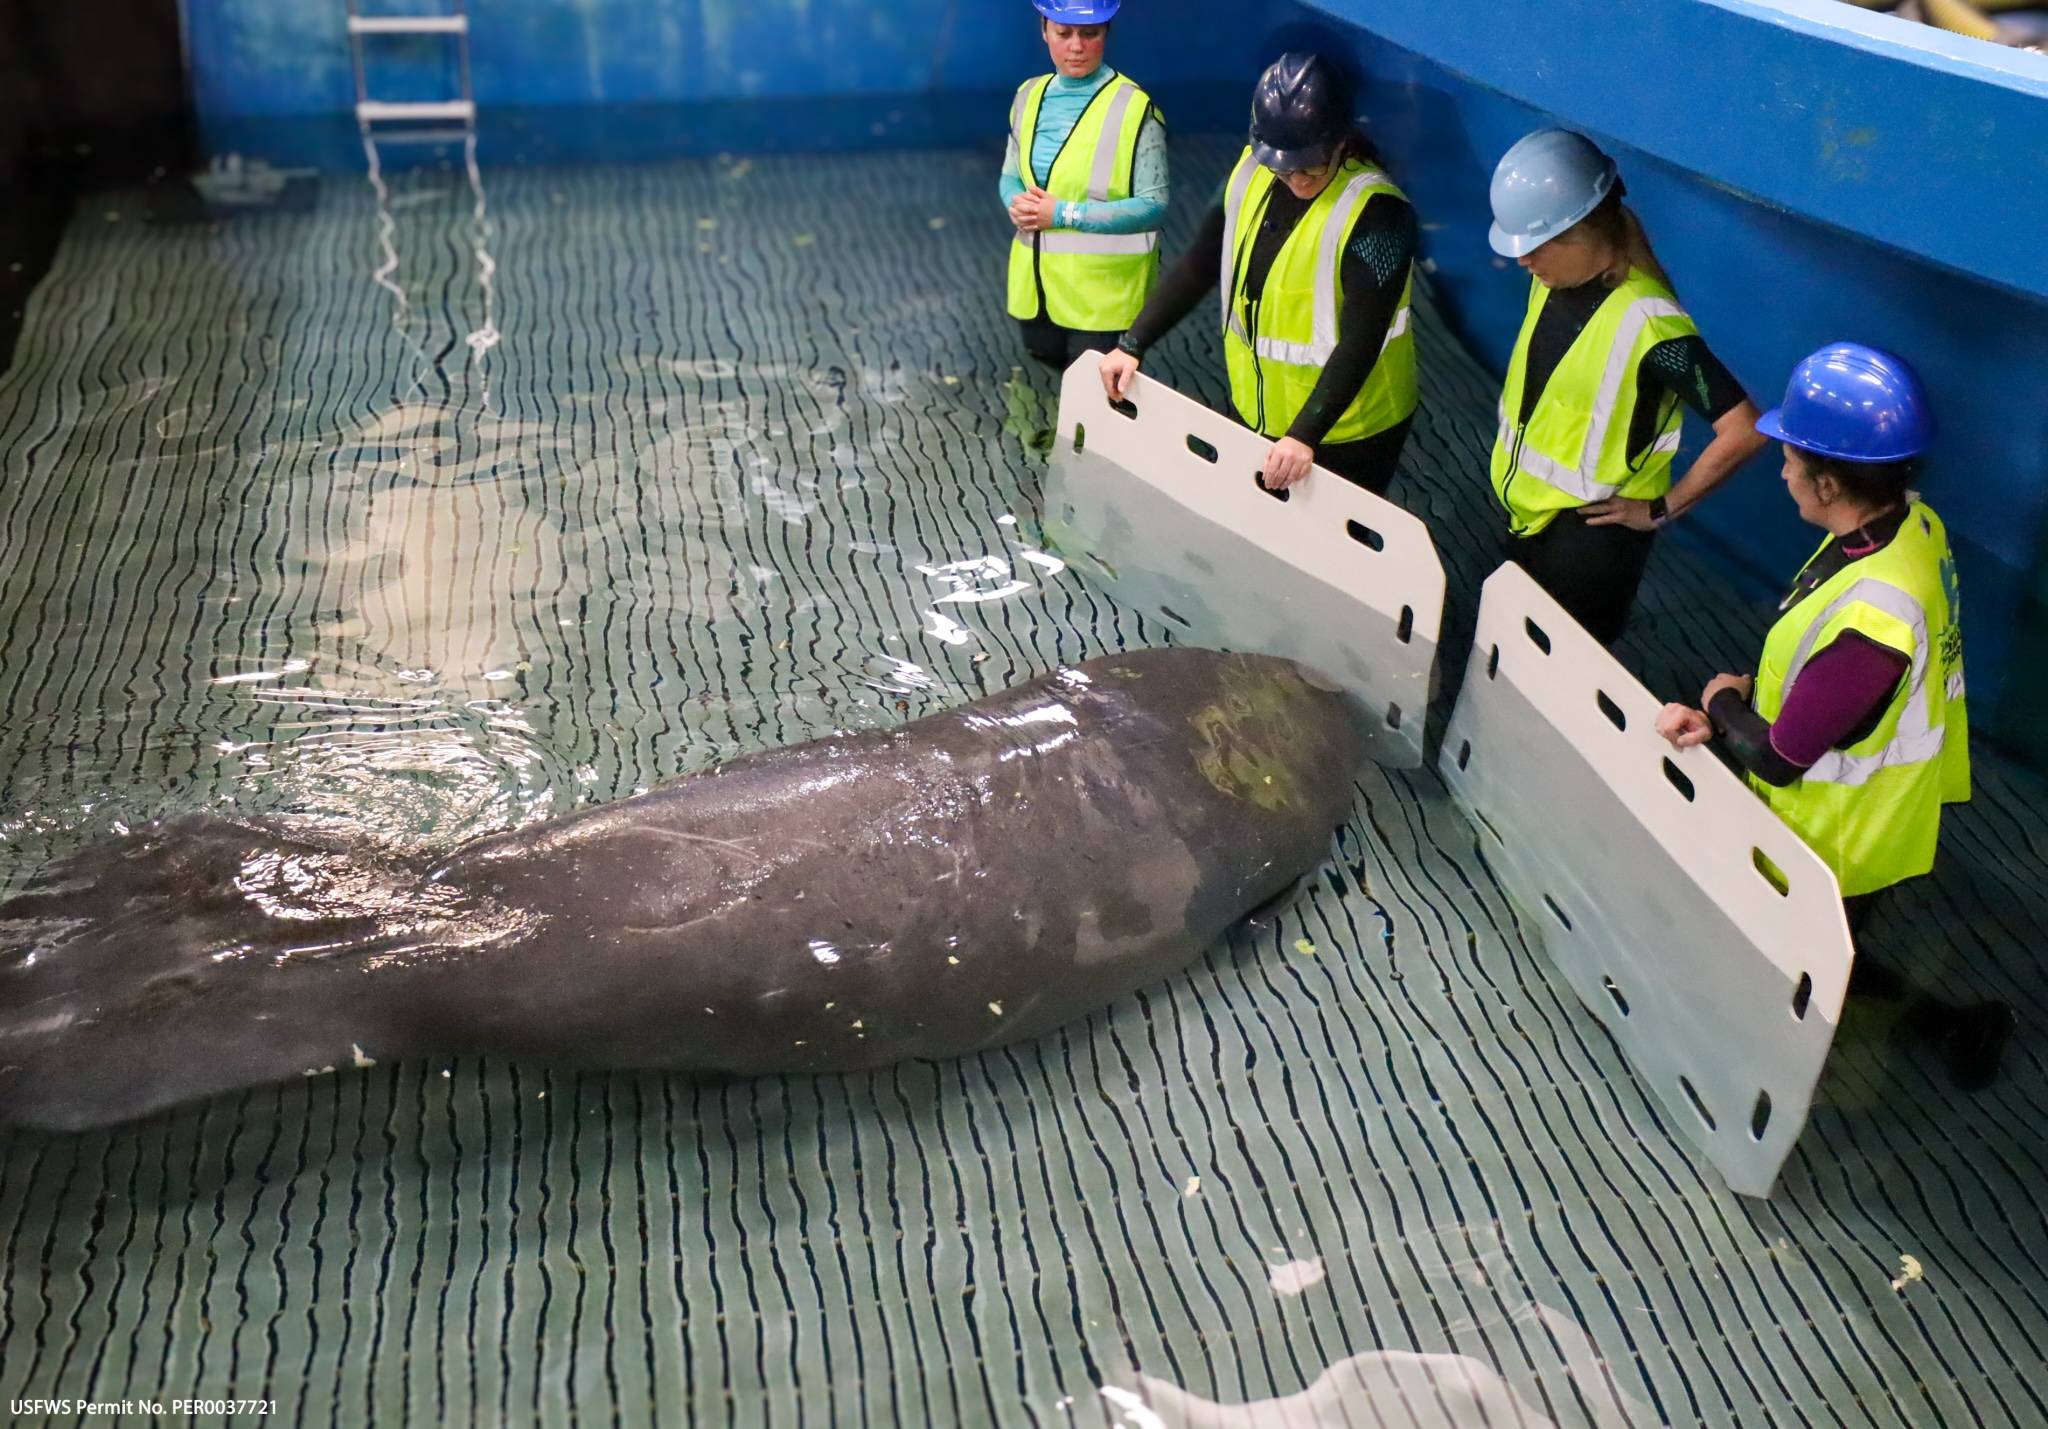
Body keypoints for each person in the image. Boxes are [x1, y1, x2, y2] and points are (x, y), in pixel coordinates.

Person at [1657, 343, 2014, 1089]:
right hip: (1855, 810)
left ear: (1827, 479)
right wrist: (1744, 702)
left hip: (1841, 834)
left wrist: (1723, 700)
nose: (1780, 469)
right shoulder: (1908, 524)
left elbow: (1785, 756)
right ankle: (1952, 1021)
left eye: (1789, 459)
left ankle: (1956, 1026)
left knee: (1806, 965)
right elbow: (1827, 675)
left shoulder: (1876, 613)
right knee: (1821, 954)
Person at [1486, 129, 1767, 644]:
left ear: (1582, 231)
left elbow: (1746, 429)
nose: (1524, 261)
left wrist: (1661, 510)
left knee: (1560, 672)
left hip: (1590, 544)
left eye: (1537, 247)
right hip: (1531, 512)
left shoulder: (1652, 326)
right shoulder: (1552, 278)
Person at [1098, 52, 1417, 497]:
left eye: (1312, 166)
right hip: (1263, 412)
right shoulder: (1251, 171)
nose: (1298, 181)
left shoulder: (1379, 216)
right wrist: (1132, 343)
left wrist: (1305, 434)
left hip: (1351, 430)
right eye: (1284, 167)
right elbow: (1199, 263)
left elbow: (1362, 341)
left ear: (1342, 140)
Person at [1002, 0, 1167, 372]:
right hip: (1036, 287)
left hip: (1104, 302)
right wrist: (1015, 202)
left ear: (1106, 33)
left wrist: (1062, 213)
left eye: (1089, 33)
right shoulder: (1027, 95)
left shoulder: (1135, 108)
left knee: (1099, 402)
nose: (1076, 46)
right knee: (1043, 378)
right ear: (1044, 30)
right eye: (1063, 33)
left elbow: (1153, 204)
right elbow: (1011, 174)